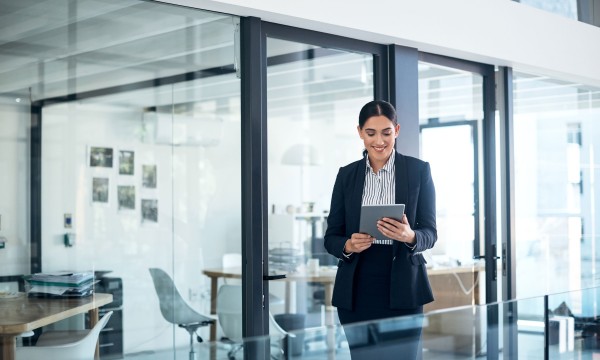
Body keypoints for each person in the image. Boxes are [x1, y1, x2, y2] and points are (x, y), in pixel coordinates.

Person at [324, 100, 437, 359]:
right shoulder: (346, 175)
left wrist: (410, 236)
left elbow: (430, 232)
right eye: (371, 133)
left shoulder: (419, 171)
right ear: (360, 132)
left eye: (386, 132)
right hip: (357, 287)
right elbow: (331, 236)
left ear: (396, 130)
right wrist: (348, 245)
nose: (379, 141)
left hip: (404, 286)